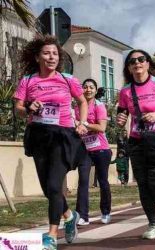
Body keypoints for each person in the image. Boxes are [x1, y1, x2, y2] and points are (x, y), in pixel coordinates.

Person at [13, 35, 88, 249]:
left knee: (55, 185)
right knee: (48, 189)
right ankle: (69, 215)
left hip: (62, 136)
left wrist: (82, 122)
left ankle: (52, 234)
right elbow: (18, 109)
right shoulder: (28, 80)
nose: (51, 57)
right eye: (47, 53)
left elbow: (82, 101)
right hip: (38, 135)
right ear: (37, 57)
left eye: (55, 53)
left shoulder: (67, 79)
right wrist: (28, 107)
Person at [116, 49, 155, 239]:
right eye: (132, 61)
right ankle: (153, 224)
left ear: (148, 63)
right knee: (143, 185)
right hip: (136, 141)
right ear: (128, 68)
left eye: (141, 59)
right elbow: (122, 115)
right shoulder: (125, 91)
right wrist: (120, 119)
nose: (137, 63)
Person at [74, 79, 113, 226]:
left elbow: (102, 127)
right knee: (83, 181)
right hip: (85, 150)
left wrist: (85, 125)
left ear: (96, 91)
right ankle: (82, 215)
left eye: (91, 87)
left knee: (103, 181)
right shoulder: (78, 107)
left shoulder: (99, 106)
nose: (88, 89)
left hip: (101, 150)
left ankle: (106, 212)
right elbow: (75, 126)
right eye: (85, 87)